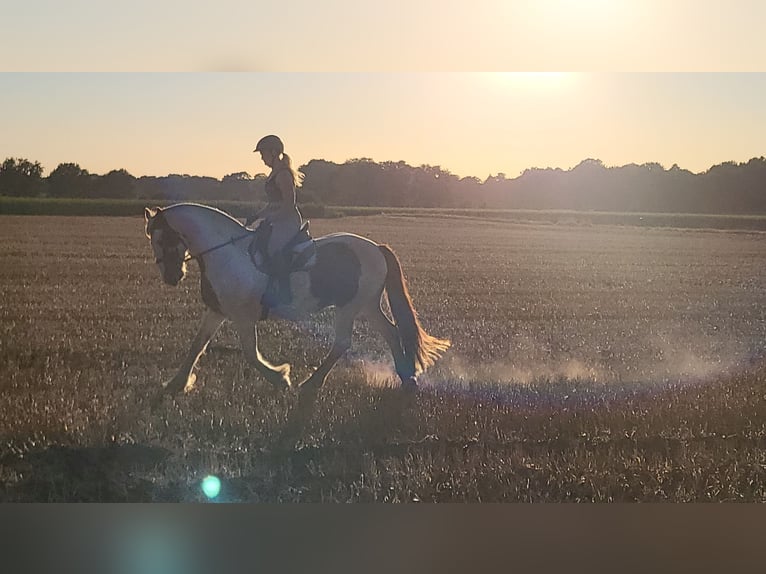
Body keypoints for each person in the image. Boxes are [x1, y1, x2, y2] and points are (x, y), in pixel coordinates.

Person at [247, 135, 307, 298]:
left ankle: (284, 290)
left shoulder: (283, 175)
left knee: (273, 248)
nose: (262, 158)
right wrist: (257, 216)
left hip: (288, 221)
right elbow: (273, 204)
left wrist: (271, 219)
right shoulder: (274, 173)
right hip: (278, 218)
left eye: (263, 154)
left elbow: (289, 205)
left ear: (274, 152)